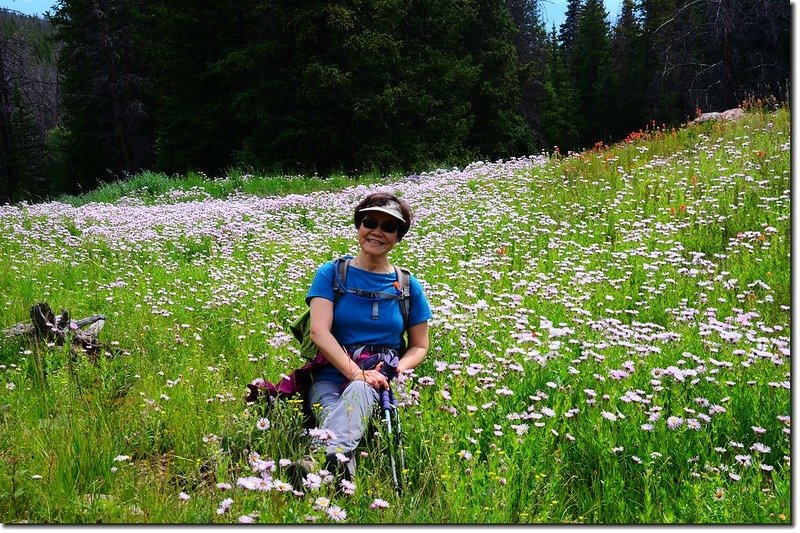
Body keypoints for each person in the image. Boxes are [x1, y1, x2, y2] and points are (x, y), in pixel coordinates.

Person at [303, 192, 432, 481]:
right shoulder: (332, 274)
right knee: (338, 408)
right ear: (358, 226)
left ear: (399, 236)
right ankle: (340, 473)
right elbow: (319, 332)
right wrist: (356, 372)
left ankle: (316, 465)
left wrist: (391, 371)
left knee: (360, 393)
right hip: (329, 376)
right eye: (369, 222)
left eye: (388, 227)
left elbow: (420, 345)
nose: (377, 231)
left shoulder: (409, 286)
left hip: (381, 380)